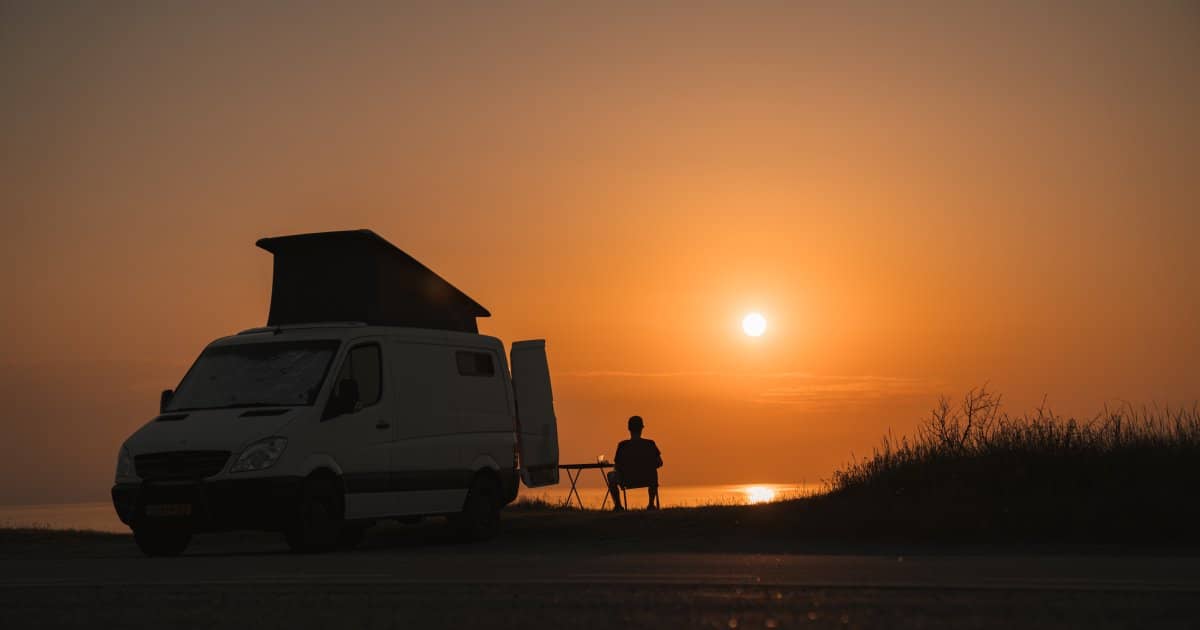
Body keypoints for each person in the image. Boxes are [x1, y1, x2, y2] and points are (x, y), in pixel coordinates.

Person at [606, 415, 663, 511]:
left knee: (610, 475)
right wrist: (648, 467)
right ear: (642, 428)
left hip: (627, 480)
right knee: (653, 472)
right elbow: (660, 463)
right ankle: (651, 504)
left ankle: (618, 506)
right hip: (647, 478)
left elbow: (617, 466)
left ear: (629, 428)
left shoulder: (622, 445)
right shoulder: (650, 444)